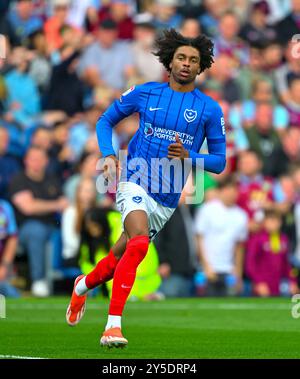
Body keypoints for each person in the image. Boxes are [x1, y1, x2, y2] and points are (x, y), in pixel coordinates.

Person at [66, 28, 226, 347]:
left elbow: (220, 162)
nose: (186, 63)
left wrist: (190, 156)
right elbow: (104, 121)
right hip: (134, 179)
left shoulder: (209, 109)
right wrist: (109, 154)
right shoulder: (145, 92)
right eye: (181, 57)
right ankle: (112, 326)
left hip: (167, 198)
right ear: (170, 60)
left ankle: (82, 285)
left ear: (201, 66)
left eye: (193, 60)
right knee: (138, 245)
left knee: (118, 258)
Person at [9, 146, 68, 297]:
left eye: (40, 159)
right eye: (33, 159)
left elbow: (65, 203)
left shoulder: (52, 179)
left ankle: (73, 272)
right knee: (36, 230)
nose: (37, 163)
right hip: (24, 230)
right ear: (26, 161)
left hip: (52, 226)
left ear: (46, 161)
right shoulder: (18, 180)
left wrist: (47, 205)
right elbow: (28, 207)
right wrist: (55, 205)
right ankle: (38, 280)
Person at [194, 177, 248, 296]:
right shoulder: (207, 210)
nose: (231, 194)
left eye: (234, 191)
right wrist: (205, 266)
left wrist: (238, 272)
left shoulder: (241, 215)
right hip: (208, 270)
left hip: (229, 271)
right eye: (228, 190)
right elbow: (199, 239)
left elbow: (239, 246)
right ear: (221, 191)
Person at [246, 209, 299, 297]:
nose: (274, 224)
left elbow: (286, 265)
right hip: (262, 285)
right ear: (264, 222)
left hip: (279, 284)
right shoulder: (257, 239)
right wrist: (259, 282)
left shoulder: (283, 239)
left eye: (277, 221)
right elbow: (250, 265)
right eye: (271, 220)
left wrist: (292, 282)